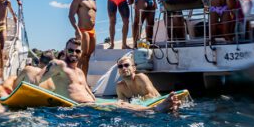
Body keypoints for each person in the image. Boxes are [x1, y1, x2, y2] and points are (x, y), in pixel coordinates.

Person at [43, 38, 181, 112]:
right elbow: (40, 77)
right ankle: (155, 109)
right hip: (82, 106)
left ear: (134, 68)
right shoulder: (57, 66)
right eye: (120, 66)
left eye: (77, 51)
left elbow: (152, 96)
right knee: (121, 105)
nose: (123, 68)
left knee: (121, 105)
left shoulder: (140, 78)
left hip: (90, 104)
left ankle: (156, 108)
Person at [68, 0, 97, 76]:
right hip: (82, 30)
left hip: (92, 30)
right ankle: (74, 77)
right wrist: (76, 29)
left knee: (88, 57)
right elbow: (71, 15)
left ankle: (83, 80)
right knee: (81, 55)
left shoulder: (93, 1)